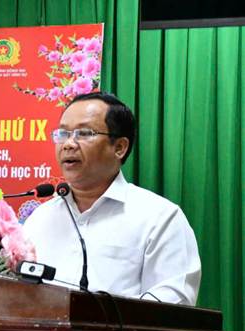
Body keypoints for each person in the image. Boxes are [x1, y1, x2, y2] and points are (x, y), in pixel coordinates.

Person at [22, 92, 201, 305]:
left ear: (119, 147)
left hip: (123, 329)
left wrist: (93, 317)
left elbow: (173, 300)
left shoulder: (160, 218)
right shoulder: (40, 218)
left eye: (84, 133)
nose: (68, 144)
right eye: (63, 133)